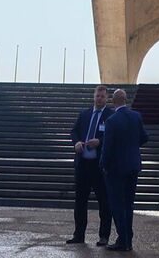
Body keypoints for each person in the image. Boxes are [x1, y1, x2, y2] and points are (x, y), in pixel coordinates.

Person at [98, 88, 146, 252]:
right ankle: (128, 240)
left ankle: (123, 240)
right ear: (126, 100)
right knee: (129, 204)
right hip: (133, 166)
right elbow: (144, 137)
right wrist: (132, 147)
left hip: (116, 169)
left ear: (113, 101)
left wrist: (103, 164)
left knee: (117, 204)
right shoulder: (136, 116)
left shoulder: (112, 120)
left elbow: (107, 147)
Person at [66, 85, 112, 247]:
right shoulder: (84, 114)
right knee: (80, 201)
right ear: (93, 96)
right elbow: (74, 131)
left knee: (104, 202)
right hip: (82, 164)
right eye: (97, 96)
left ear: (107, 98)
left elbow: (114, 136)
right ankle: (79, 234)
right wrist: (76, 142)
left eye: (102, 96)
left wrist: (100, 141)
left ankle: (104, 236)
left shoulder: (110, 115)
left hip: (100, 166)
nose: (99, 98)